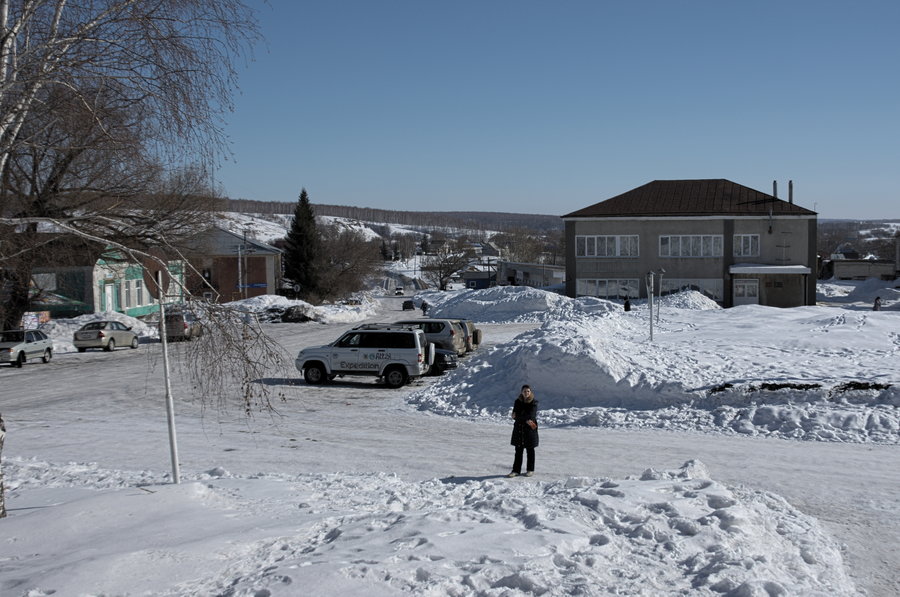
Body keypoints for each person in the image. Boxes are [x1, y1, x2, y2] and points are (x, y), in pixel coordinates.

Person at [507, 384, 539, 477]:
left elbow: (531, 415)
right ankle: (516, 470)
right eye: (525, 391)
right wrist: (519, 417)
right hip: (519, 429)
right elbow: (514, 415)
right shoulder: (517, 401)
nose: (526, 393)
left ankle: (530, 470)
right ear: (522, 392)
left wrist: (518, 417)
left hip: (529, 430)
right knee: (518, 451)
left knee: (530, 450)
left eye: (528, 391)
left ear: (530, 392)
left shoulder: (534, 402)